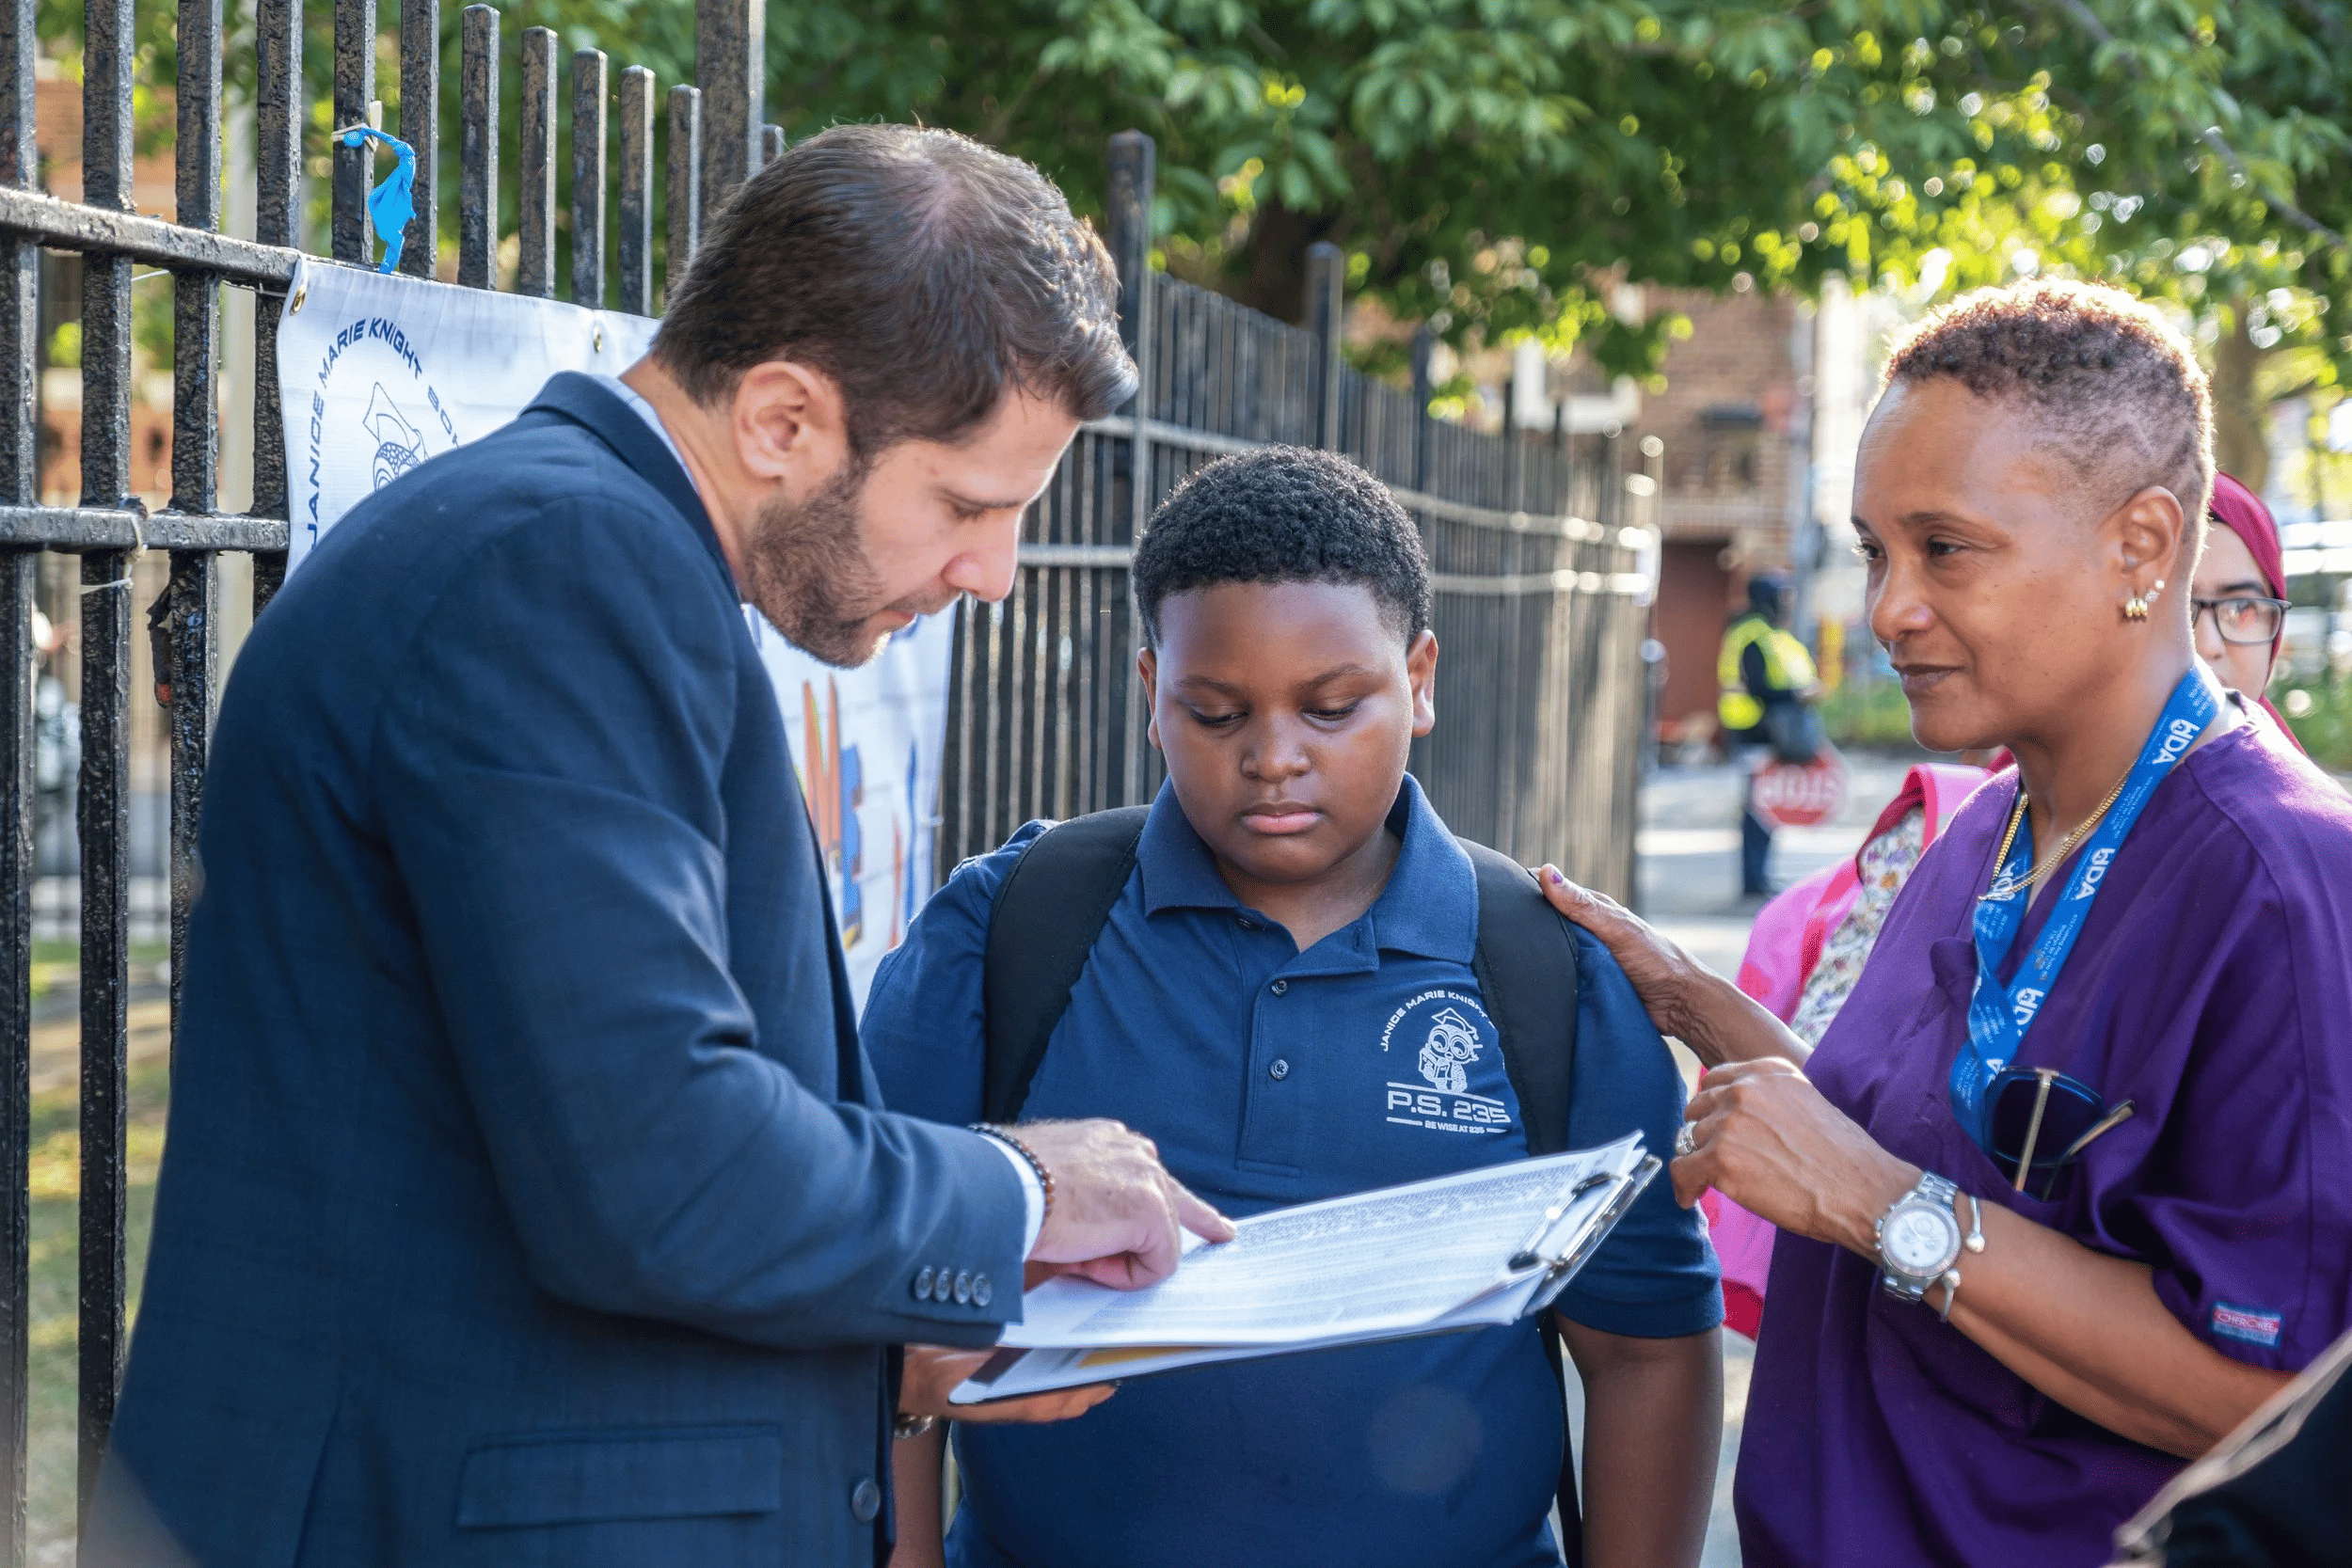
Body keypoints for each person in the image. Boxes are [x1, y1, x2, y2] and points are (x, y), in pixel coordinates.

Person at [90, 126, 1233, 1568]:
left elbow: (525, 1151)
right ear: (780, 418)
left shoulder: (589, 551)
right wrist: (1021, 1192)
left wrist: (885, 1341)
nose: (992, 572)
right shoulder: (558, 566)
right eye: (966, 503)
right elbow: (657, 1166)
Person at [1538, 278, 2352, 1567]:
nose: (1887, 609)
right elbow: (1959, 1160)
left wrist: (1875, 1202)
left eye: (1945, 547)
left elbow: (2285, 1402)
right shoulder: (1985, 824)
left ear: (2144, 547)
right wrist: (1702, 1009)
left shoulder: (2286, 881)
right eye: (1872, 549)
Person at [863, 447, 1724, 1568]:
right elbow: (880, 1292)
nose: (1273, 758)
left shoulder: (1541, 970)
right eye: (1215, 712)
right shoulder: (1009, 929)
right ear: (1149, 692)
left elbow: (1646, 1346)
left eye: (1330, 707)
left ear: (1418, 679)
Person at [1717, 575, 1820, 896]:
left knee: (1767, 808)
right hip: (1754, 733)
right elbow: (1760, 687)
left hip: (1769, 735)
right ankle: (1753, 879)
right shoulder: (1752, 636)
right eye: (1782, 596)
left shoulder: (1774, 635)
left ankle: (1760, 875)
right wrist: (1798, 695)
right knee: (1756, 810)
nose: (1787, 603)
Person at [2195, 472, 2304, 751]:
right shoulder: (2075, 787)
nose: (2206, 647)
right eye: (2172, 607)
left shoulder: (2291, 794)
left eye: (2241, 608)